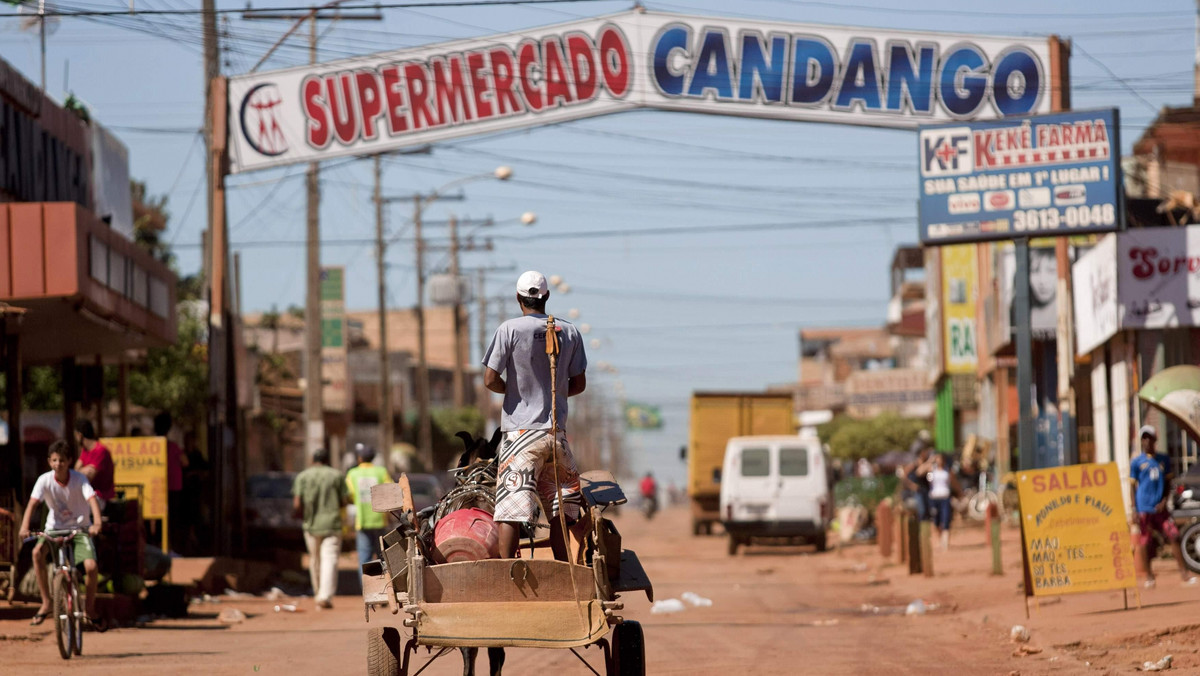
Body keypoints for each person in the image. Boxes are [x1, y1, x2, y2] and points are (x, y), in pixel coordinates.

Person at [483, 270, 588, 562]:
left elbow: (490, 379)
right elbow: (578, 384)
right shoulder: (569, 331)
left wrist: (514, 392)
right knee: (561, 512)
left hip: (521, 437)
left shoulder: (509, 330)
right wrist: (552, 393)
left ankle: (507, 576)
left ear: (519, 298)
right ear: (547, 297)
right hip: (556, 437)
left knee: (511, 511)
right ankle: (565, 573)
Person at [18, 440, 104, 628]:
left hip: (80, 529)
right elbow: (33, 504)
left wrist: (96, 523)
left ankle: (89, 608)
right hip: (54, 528)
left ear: (70, 461)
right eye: (55, 460)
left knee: (90, 567)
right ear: (49, 462)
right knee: (36, 554)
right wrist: (24, 527)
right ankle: (47, 602)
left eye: (62, 460)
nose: (59, 464)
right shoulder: (44, 480)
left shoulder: (79, 479)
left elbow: (92, 499)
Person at [1129, 425, 1197, 588]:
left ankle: (1184, 573)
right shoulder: (1137, 462)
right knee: (1145, 541)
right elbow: (1133, 486)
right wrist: (1134, 509)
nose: (1146, 441)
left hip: (1160, 508)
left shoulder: (1163, 460)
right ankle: (1149, 577)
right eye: (1143, 438)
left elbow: (1168, 483)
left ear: (1154, 440)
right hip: (1144, 508)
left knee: (1173, 536)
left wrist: (1164, 501)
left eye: (1149, 438)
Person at [291, 448, 348, 609]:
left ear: (312, 460)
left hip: (310, 525)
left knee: (315, 559)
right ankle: (325, 595)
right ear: (327, 460)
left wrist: (299, 515)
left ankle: (318, 592)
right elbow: (344, 500)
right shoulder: (336, 475)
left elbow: (296, 504)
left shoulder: (302, 476)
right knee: (329, 559)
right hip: (332, 524)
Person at [345, 443, 392, 567]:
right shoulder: (381, 472)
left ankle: (366, 585)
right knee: (383, 557)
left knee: (365, 559)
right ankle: (384, 585)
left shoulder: (352, 473)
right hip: (380, 521)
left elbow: (348, 495)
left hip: (363, 522)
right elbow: (390, 491)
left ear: (359, 458)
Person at [154, 412, 188, 554]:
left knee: (160, 520)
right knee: (173, 519)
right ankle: (170, 548)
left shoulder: (153, 447)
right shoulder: (173, 446)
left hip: (156, 487)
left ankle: (161, 548)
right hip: (173, 487)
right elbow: (185, 462)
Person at [74, 420, 115, 508]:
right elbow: (76, 470)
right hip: (87, 494)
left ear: (80, 435)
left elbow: (89, 476)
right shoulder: (85, 450)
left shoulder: (100, 450)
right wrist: (82, 471)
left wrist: (80, 471)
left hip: (100, 497)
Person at [927, 454, 953, 551]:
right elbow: (927, 478)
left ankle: (945, 542)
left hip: (945, 497)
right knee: (936, 521)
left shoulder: (947, 470)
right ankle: (940, 538)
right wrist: (929, 462)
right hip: (934, 497)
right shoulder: (931, 471)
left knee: (946, 518)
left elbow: (953, 481)